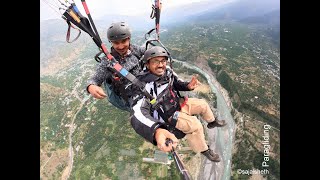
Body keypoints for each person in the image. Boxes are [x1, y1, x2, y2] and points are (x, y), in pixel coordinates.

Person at [129, 46, 227, 162]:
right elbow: (138, 113)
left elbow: (176, 83)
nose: (160, 65)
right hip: (168, 116)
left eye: (163, 61)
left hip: (177, 104)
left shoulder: (168, 72)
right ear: (147, 64)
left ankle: (212, 122)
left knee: (202, 104)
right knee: (195, 125)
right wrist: (157, 130)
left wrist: (187, 86)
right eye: (155, 61)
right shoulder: (144, 85)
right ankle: (204, 150)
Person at [86, 21, 145, 112]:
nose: (120, 46)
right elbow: (95, 78)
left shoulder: (136, 50)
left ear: (129, 39)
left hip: (142, 88)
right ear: (111, 43)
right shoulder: (108, 62)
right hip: (129, 98)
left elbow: (149, 54)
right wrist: (91, 86)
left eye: (124, 41)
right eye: (116, 43)